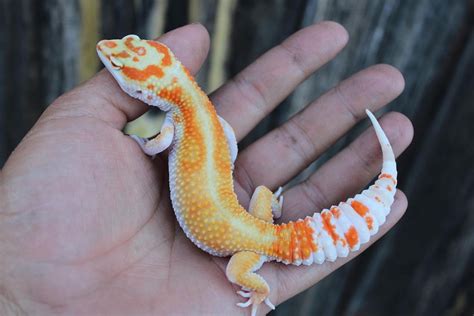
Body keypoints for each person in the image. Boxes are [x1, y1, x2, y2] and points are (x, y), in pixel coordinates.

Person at [0, 22, 413, 315]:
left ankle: (259, 288)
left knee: (240, 272)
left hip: (252, 244)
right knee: (263, 201)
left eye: (123, 61)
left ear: (148, 89)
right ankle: (297, 208)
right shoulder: (197, 111)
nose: (112, 51)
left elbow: (157, 144)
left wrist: (143, 140)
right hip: (256, 223)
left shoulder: (175, 123)